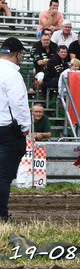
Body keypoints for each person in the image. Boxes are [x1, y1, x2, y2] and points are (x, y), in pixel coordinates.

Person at [0, 37, 29, 222]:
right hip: (8, 130)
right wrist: (25, 126)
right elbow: (18, 103)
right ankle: (2, 216)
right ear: (18, 55)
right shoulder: (12, 74)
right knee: (3, 175)